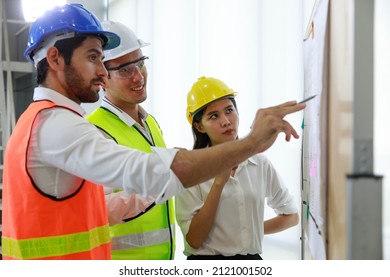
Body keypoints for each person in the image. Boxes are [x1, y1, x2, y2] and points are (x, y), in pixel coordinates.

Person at [1, 4, 305, 260]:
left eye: (139, 63)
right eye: (93, 57)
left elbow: (101, 203)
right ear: (55, 59)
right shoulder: (56, 125)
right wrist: (251, 143)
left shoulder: (47, 120)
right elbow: (152, 173)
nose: (102, 71)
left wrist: (155, 189)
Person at [175, 76, 299, 260]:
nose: (226, 121)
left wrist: (249, 232)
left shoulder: (260, 163)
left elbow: (291, 216)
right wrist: (219, 183)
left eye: (229, 110)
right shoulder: (190, 168)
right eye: (214, 116)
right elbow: (194, 240)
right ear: (200, 127)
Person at [86, 21, 176, 260]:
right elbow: (97, 209)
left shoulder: (151, 122)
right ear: (102, 79)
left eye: (140, 63)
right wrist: (164, 180)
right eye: (125, 70)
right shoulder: (95, 130)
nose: (139, 77)